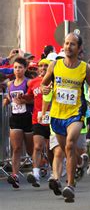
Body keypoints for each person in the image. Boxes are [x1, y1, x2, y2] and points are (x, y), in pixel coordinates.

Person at [41, 32, 90, 203]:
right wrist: (46, 89)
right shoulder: (55, 65)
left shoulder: (84, 68)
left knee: (70, 144)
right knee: (65, 150)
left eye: (72, 44)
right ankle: (74, 170)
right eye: (66, 43)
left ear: (79, 48)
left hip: (75, 113)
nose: (68, 47)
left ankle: (71, 185)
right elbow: (44, 83)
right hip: (57, 115)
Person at [3, 57, 34, 188]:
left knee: (31, 148)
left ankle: (36, 171)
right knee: (16, 148)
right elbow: (9, 97)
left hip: (27, 117)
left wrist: (25, 101)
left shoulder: (29, 83)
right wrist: (6, 100)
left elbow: (34, 100)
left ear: (25, 69)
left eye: (20, 67)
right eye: (15, 67)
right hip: (15, 118)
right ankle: (15, 176)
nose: (17, 70)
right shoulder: (10, 84)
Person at [26, 58, 52, 187]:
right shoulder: (33, 82)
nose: (42, 68)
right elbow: (30, 97)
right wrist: (22, 98)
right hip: (38, 118)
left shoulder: (55, 81)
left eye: (45, 65)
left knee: (51, 149)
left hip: (53, 119)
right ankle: (35, 173)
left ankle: (54, 173)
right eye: (40, 66)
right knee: (37, 146)